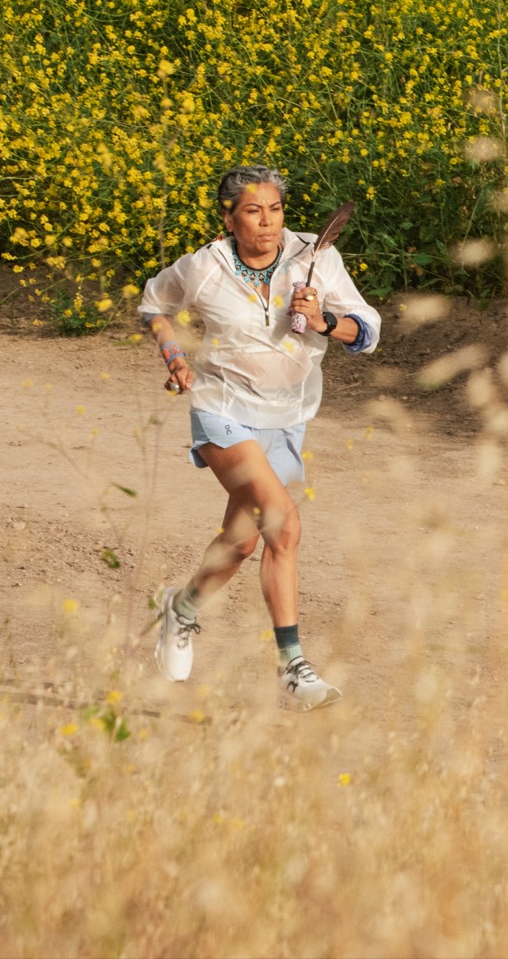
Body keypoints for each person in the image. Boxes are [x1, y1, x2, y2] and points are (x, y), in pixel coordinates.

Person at [136, 165, 380, 710]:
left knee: (243, 541)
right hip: (221, 408)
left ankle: (181, 608)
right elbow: (154, 304)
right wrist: (174, 356)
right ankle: (293, 668)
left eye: (274, 209)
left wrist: (322, 321)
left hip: (288, 415)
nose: (266, 222)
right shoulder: (203, 267)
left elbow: (366, 330)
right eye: (252, 211)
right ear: (229, 217)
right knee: (283, 523)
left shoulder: (315, 258)